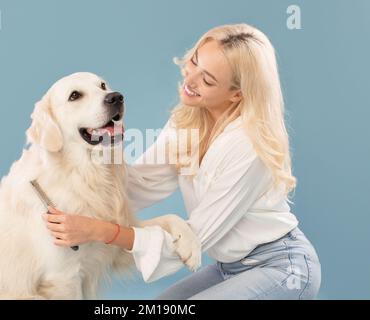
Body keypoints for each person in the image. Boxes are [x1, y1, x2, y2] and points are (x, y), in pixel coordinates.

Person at [42, 23, 321, 300]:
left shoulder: (247, 147)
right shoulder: (187, 122)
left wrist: (97, 230)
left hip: (283, 268)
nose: (190, 80)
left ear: (237, 93)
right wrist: (72, 177)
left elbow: (193, 239)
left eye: (208, 80)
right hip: (228, 268)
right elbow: (136, 186)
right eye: (194, 62)